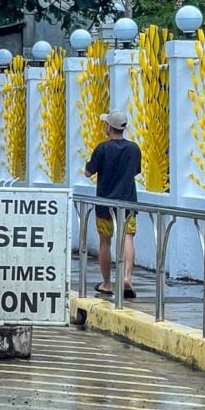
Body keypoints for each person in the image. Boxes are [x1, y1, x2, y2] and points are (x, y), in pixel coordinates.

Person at [84, 110, 141, 299]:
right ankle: (126, 278)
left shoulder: (102, 149)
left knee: (105, 242)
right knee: (128, 238)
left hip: (105, 203)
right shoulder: (134, 149)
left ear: (109, 126)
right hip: (127, 202)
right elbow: (135, 172)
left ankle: (107, 283)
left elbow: (88, 172)